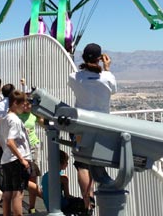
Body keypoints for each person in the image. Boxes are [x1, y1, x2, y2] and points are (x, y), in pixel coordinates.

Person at [67, 43, 117, 211]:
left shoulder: (74, 76)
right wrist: (107, 68)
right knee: (99, 161)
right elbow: (113, 91)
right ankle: (102, 203)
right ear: (100, 58)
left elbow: (77, 84)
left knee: (82, 164)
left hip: (81, 125)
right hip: (102, 126)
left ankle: (87, 200)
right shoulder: (107, 77)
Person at [0, 90, 31, 216]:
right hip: (17, 159)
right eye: (23, 104)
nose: (25, 107)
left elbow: (1, 142)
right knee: (18, 193)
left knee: (8, 192)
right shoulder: (15, 120)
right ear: (15, 103)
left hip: (6, 159)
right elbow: (10, 142)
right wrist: (22, 159)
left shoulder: (3, 119)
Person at [18, 94, 43, 214]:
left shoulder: (34, 115)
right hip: (21, 148)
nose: (28, 106)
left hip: (33, 146)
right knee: (22, 176)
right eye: (26, 104)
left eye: (29, 104)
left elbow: (44, 123)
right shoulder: (16, 115)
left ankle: (32, 206)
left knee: (33, 176)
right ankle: (43, 195)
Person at [41, 150, 84, 214]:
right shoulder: (63, 178)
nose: (67, 164)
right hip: (61, 206)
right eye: (66, 161)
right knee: (82, 204)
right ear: (61, 163)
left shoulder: (45, 176)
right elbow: (67, 196)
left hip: (49, 206)